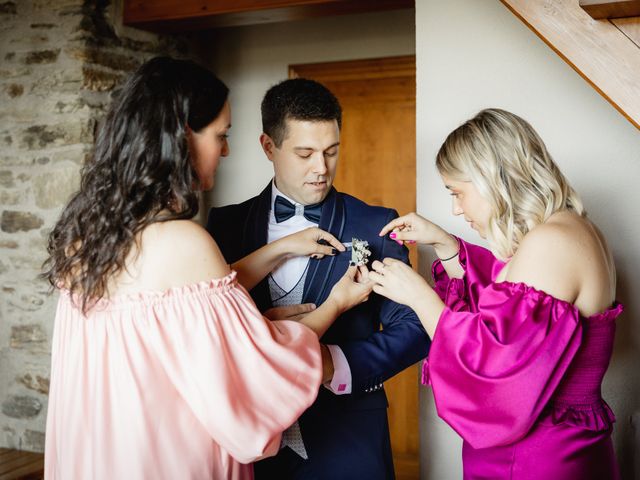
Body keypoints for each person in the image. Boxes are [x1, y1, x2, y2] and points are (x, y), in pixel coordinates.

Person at [42, 56, 372, 480]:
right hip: (170, 457)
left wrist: (278, 250)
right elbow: (257, 370)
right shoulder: (184, 240)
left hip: (102, 453)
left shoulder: (85, 237)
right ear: (181, 139)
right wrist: (336, 304)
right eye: (221, 135)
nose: (227, 149)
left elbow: (169, 303)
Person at [370, 108, 622, 479]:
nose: (455, 209)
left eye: (458, 193)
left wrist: (419, 296)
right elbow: (513, 314)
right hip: (572, 446)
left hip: (534, 457)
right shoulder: (575, 230)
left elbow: (494, 367)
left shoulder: (550, 243)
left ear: (492, 178)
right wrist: (446, 245)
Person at [207, 78, 430, 479]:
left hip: (347, 441)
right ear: (268, 147)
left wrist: (335, 364)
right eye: (305, 153)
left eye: (331, 151)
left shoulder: (373, 224)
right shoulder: (224, 226)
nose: (321, 169)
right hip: (248, 444)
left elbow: (416, 327)